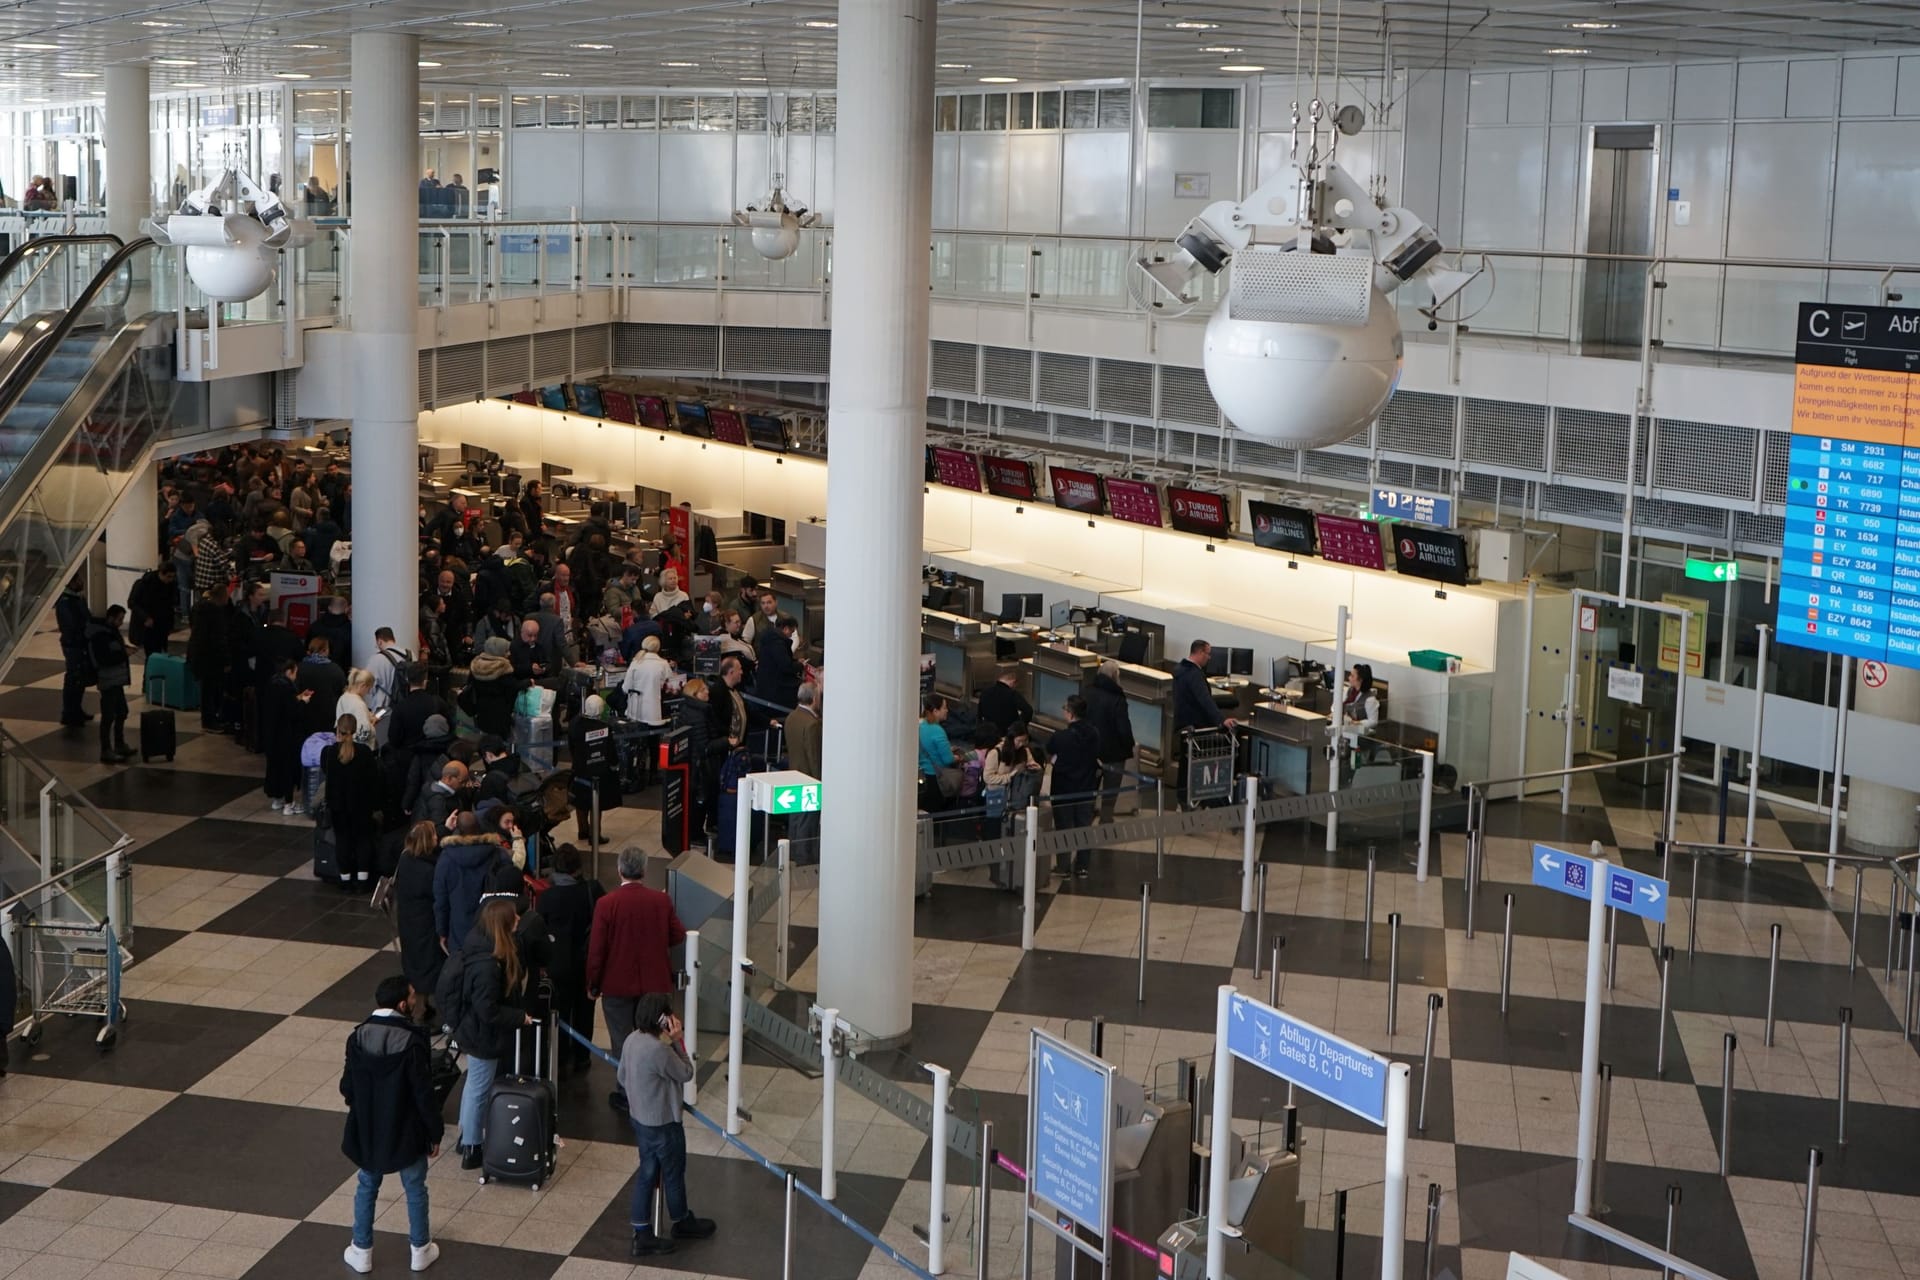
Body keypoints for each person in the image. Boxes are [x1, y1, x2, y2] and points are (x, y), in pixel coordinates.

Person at [338, 974, 443, 1276]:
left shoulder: (357, 1037)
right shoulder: (412, 1040)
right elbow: (424, 1094)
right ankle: (420, 1250)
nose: (415, 1000)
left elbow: (347, 1086)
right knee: (415, 1188)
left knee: (367, 1186)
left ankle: (361, 1251)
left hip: (369, 1129)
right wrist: (434, 1132)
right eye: (412, 997)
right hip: (406, 1129)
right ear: (401, 1004)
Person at [588, 847, 688, 1113]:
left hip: (617, 986)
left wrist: (593, 985)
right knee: (656, 1039)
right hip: (655, 987)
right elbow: (678, 935)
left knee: (622, 1041)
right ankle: (655, 1087)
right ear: (644, 871)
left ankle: (627, 1093)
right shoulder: (660, 901)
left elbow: (597, 950)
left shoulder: (606, 904)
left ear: (620, 870)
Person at [616, 991, 715, 1257]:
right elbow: (686, 1072)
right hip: (664, 1124)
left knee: (647, 1173)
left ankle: (642, 1232)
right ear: (661, 1019)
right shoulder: (659, 1050)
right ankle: (682, 1220)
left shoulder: (631, 1040)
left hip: (640, 1121)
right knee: (673, 1173)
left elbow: (622, 1077)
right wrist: (678, 1041)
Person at [447, 898, 534, 1170]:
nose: (519, 920)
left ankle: (466, 1137)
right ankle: (472, 1146)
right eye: (514, 918)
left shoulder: (480, 946)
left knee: (474, 1083)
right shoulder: (488, 965)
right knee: (480, 1088)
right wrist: (519, 1017)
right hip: (482, 1033)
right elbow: (488, 1010)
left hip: (474, 1030)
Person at [536, 843, 603, 1076]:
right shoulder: (592, 891)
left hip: (557, 965)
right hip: (585, 962)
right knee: (585, 1011)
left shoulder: (547, 897)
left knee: (560, 1010)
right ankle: (583, 1057)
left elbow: (540, 931)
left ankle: (561, 1056)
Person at [322, 714, 382, 888]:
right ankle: (363, 879)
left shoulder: (329, 753)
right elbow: (373, 779)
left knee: (342, 841)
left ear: (338, 730)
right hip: (361, 806)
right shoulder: (364, 753)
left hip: (338, 806)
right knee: (363, 840)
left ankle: (345, 879)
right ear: (355, 730)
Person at [1046, 695, 1102, 879]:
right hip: (1086, 788)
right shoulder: (1094, 734)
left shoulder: (1061, 737)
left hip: (1064, 790)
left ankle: (1063, 867)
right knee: (1083, 827)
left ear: (1070, 714)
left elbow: (1050, 750)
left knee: (1064, 828)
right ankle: (1082, 866)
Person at [435, 811, 506, 956]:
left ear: (458, 830)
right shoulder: (498, 854)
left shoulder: (446, 859)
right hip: (493, 926)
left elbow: (440, 899)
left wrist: (441, 931)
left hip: (459, 929)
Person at [393, 823, 445, 999]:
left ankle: (419, 1002)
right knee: (429, 964)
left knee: (414, 962)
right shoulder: (428, 871)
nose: (437, 837)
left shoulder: (406, 858)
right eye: (434, 835)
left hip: (409, 921)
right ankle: (420, 1009)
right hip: (425, 924)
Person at [1083, 660, 1137, 824]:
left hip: (1090, 749)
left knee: (1089, 786)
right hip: (1114, 752)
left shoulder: (1087, 692)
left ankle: (1086, 817)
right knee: (1110, 789)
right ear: (1115, 676)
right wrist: (1129, 744)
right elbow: (1123, 728)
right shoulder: (1117, 699)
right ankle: (1106, 819)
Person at [85, 605, 135, 763]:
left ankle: (119, 744)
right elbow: (104, 659)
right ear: (111, 618)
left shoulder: (111, 632)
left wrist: (123, 650)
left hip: (116, 680)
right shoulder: (100, 635)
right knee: (109, 716)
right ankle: (106, 750)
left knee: (122, 712)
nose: (121, 623)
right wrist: (123, 654)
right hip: (108, 680)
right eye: (119, 619)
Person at [568, 696, 619, 844]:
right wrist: (614, 765)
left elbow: (572, 747)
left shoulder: (574, 724)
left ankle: (582, 830)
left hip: (579, 768)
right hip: (598, 770)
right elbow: (610, 751)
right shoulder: (604, 728)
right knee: (596, 804)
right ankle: (595, 834)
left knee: (580, 802)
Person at [187, 583, 234, 733]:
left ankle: (209, 719)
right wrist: (226, 660)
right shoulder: (215, 612)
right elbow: (219, 639)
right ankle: (210, 721)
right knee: (212, 690)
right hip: (211, 658)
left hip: (199, 655)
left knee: (206, 690)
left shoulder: (198, 607)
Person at [784, 682, 822, 862]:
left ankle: (793, 854)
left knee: (796, 819)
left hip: (794, 775)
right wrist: (820, 782)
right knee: (808, 823)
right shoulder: (812, 724)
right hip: (809, 779)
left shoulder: (791, 717)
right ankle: (804, 858)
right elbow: (813, 757)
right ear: (814, 699)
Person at [262, 656, 304, 813]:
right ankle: (289, 803)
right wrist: (301, 702)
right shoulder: (288, 688)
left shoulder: (272, 684)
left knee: (275, 767)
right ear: (289, 672)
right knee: (288, 769)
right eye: (295, 673)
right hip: (287, 736)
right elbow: (292, 712)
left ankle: (277, 800)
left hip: (272, 735)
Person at [672, 679, 713, 835]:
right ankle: (695, 832)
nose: (707, 691)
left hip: (691, 765)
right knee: (698, 801)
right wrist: (725, 742)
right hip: (697, 766)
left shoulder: (688, 709)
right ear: (695, 694)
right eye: (703, 689)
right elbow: (703, 745)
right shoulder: (698, 715)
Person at [463, 636, 524, 738]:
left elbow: (470, 686)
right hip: (500, 715)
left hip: (481, 712)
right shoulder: (503, 669)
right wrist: (527, 683)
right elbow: (512, 689)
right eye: (506, 651)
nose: (509, 653)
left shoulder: (476, 666)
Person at [55, 576, 95, 726]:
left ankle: (76, 710)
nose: (81, 583)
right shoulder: (66, 601)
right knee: (73, 677)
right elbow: (71, 624)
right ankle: (69, 713)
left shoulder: (77, 598)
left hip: (79, 643)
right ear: (71, 583)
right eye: (78, 581)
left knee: (79, 678)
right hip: (73, 644)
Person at [388, 663, 451, 756]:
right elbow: (450, 728)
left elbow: (394, 739)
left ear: (407, 680)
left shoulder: (399, 707)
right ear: (425, 682)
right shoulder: (437, 702)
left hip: (408, 756)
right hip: (433, 754)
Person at [916, 694, 957, 813]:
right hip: (937, 779)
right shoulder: (938, 731)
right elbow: (948, 760)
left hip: (923, 776)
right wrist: (956, 757)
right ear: (935, 711)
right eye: (944, 707)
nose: (947, 710)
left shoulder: (920, 727)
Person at [127, 562, 178, 657]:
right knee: (152, 655)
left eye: (173, 577)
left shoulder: (171, 585)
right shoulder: (143, 584)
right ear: (161, 573)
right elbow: (132, 603)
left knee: (160, 653)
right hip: (148, 625)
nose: (170, 579)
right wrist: (145, 617)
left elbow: (170, 605)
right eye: (168, 576)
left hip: (162, 625)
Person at [753, 614, 802, 710]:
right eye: (791, 632)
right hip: (775, 689)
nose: (791, 635)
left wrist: (795, 661)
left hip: (768, 685)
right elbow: (786, 666)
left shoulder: (772, 639)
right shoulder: (777, 643)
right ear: (786, 629)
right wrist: (800, 665)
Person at [621, 635, 673, 724]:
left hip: (635, 710)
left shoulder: (635, 662)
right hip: (654, 711)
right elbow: (670, 686)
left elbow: (626, 688)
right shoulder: (663, 664)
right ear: (658, 647)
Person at [975, 668, 1032, 738]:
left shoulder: (985, 692)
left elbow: (979, 715)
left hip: (989, 734)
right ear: (1013, 682)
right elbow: (1028, 710)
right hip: (1007, 735)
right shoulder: (1012, 694)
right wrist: (1018, 726)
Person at [367, 626, 411, 715]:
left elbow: (369, 687)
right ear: (393, 639)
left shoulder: (376, 659)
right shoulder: (411, 655)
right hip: (407, 706)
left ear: (379, 641)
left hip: (384, 709)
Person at [337, 668, 376, 744]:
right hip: (358, 748)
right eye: (369, 689)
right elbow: (364, 734)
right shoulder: (359, 704)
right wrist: (372, 725)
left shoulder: (343, 698)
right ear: (363, 686)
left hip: (344, 743)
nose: (368, 693)